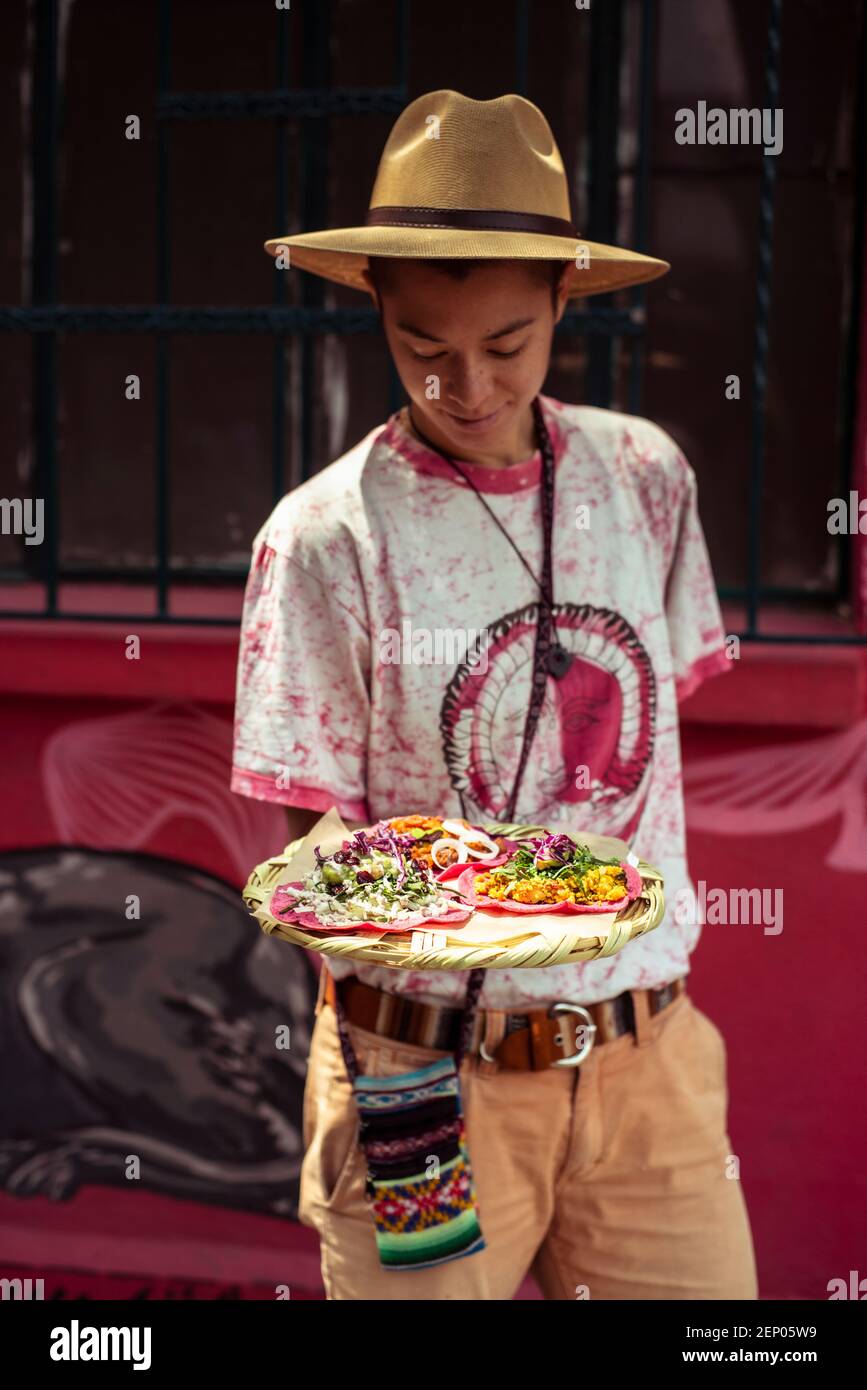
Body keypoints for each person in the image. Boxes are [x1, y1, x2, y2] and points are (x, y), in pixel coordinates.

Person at [231, 89, 759, 1300]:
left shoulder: (646, 478)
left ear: (564, 301)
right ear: (375, 303)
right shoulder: (322, 538)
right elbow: (312, 829)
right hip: (417, 1070)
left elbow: (647, 751)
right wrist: (370, 888)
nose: (464, 383)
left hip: (648, 1062)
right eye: (425, 347)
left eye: (507, 345)